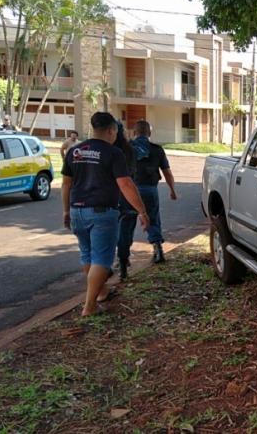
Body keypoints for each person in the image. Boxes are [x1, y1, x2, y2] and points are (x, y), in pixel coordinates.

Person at [61, 112, 149, 317]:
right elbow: (125, 184)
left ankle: (100, 293)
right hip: (102, 213)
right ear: (110, 130)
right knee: (102, 259)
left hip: (77, 211)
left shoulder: (75, 151)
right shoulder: (113, 153)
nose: (115, 136)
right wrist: (142, 211)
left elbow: (66, 183)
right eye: (115, 132)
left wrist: (66, 210)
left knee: (87, 254)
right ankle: (89, 306)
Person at [130, 120, 177, 264]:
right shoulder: (157, 149)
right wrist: (172, 190)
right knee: (153, 219)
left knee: (126, 221)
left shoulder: (128, 148)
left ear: (134, 133)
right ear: (149, 133)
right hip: (150, 190)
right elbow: (167, 172)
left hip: (129, 190)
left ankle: (123, 257)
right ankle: (158, 249)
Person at [114, 122, 138, 281]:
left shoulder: (106, 151)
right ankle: (124, 261)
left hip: (109, 198)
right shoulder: (130, 150)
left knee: (111, 233)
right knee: (126, 232)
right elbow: (131, 175)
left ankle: (118, 262)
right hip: (127, 197)